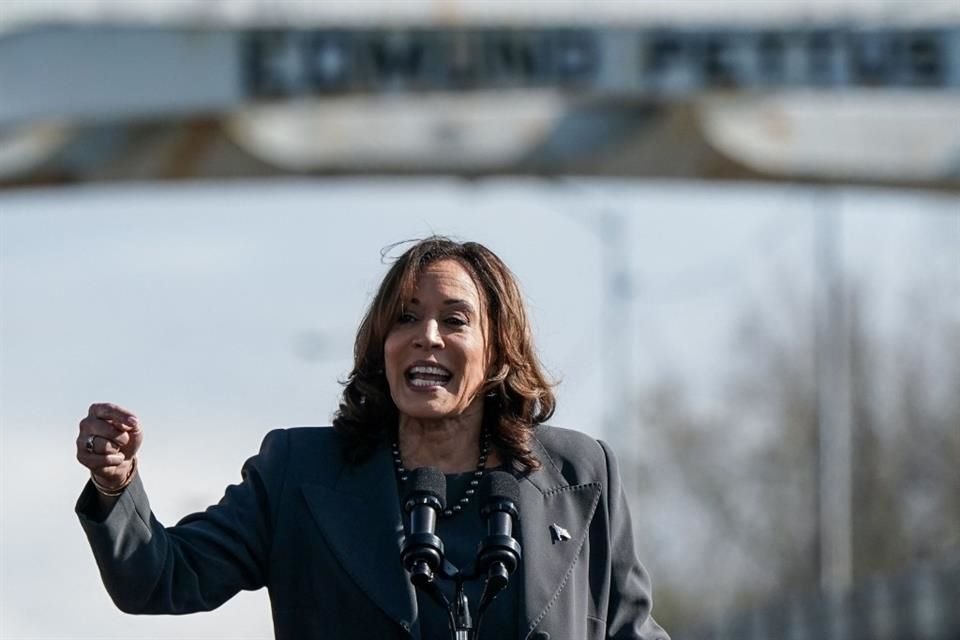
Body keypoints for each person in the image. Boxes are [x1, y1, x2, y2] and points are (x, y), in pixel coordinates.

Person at [75, 236, 669, 640]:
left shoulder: (579, 475)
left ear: (498, 350)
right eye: (405, 318)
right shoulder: (299, 473)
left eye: (454, 320)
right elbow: (162, 576)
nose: (426, 336)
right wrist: (116, 485)